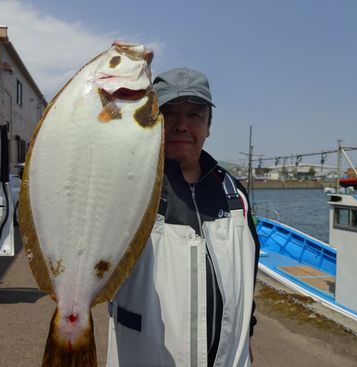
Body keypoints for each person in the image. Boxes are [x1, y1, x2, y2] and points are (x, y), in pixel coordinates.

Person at [107, 68, 260, 366]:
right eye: (170, 113)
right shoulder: (127, 186)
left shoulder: (234, 194)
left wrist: (248, 335)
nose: (181, 125)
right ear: (152, 121)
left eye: (194, 114)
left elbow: (247, 272)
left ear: (209, 125)